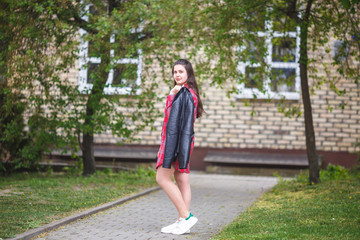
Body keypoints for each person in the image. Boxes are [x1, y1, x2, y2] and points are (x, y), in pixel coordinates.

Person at [155, 59, 204, 235]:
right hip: (181, 143)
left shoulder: (185, 94)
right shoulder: (186, 92)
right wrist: (172, 94)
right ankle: (181, 222)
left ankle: (186, 217)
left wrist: (174, 151)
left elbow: (177, 125)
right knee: (182, 180)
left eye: (181, 72)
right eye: (175, 72)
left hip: (175, 144)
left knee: (162, 178)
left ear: (188, 74)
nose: (177, 75)